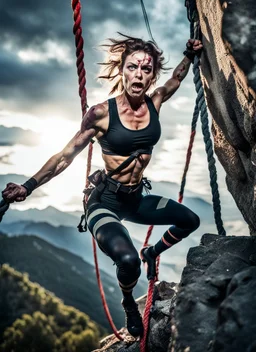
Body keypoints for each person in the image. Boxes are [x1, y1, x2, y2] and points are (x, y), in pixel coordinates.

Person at [2, 33, 202, 338]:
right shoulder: (100, 114)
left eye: (146, 70)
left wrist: (188, 54)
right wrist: (27, 187)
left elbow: (175, 79)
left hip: (135, 198)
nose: (139, 74)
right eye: (132, 67)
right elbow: (64, 157)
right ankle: (127, 301)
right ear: (121, 70)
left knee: (190, 220)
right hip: (104, 202)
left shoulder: (156, 101)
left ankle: (152, 253)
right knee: (126, 260)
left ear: (151, 76)